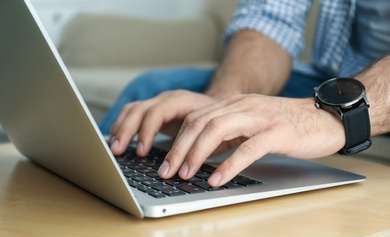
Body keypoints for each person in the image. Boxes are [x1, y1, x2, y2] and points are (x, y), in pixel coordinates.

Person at [101, 0, 390, 187]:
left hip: (370, 92)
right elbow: (271, 18)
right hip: (332, 79)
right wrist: (221, 103)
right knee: (152, 91)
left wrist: (335, 116)